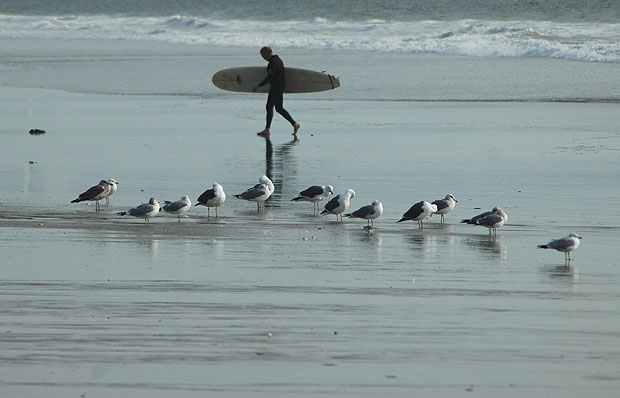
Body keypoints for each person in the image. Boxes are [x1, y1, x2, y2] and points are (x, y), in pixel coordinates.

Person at [253, 46, 300, 137]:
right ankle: (295, 124)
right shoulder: (278, 60)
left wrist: (259, 86)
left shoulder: (273, 63)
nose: (264, 58)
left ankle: (267, 130)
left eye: (264, 56)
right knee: (278, 108)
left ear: (268, 53)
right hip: (279, 87)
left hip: (276, 88)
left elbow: (270, 77)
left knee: (270, 107)